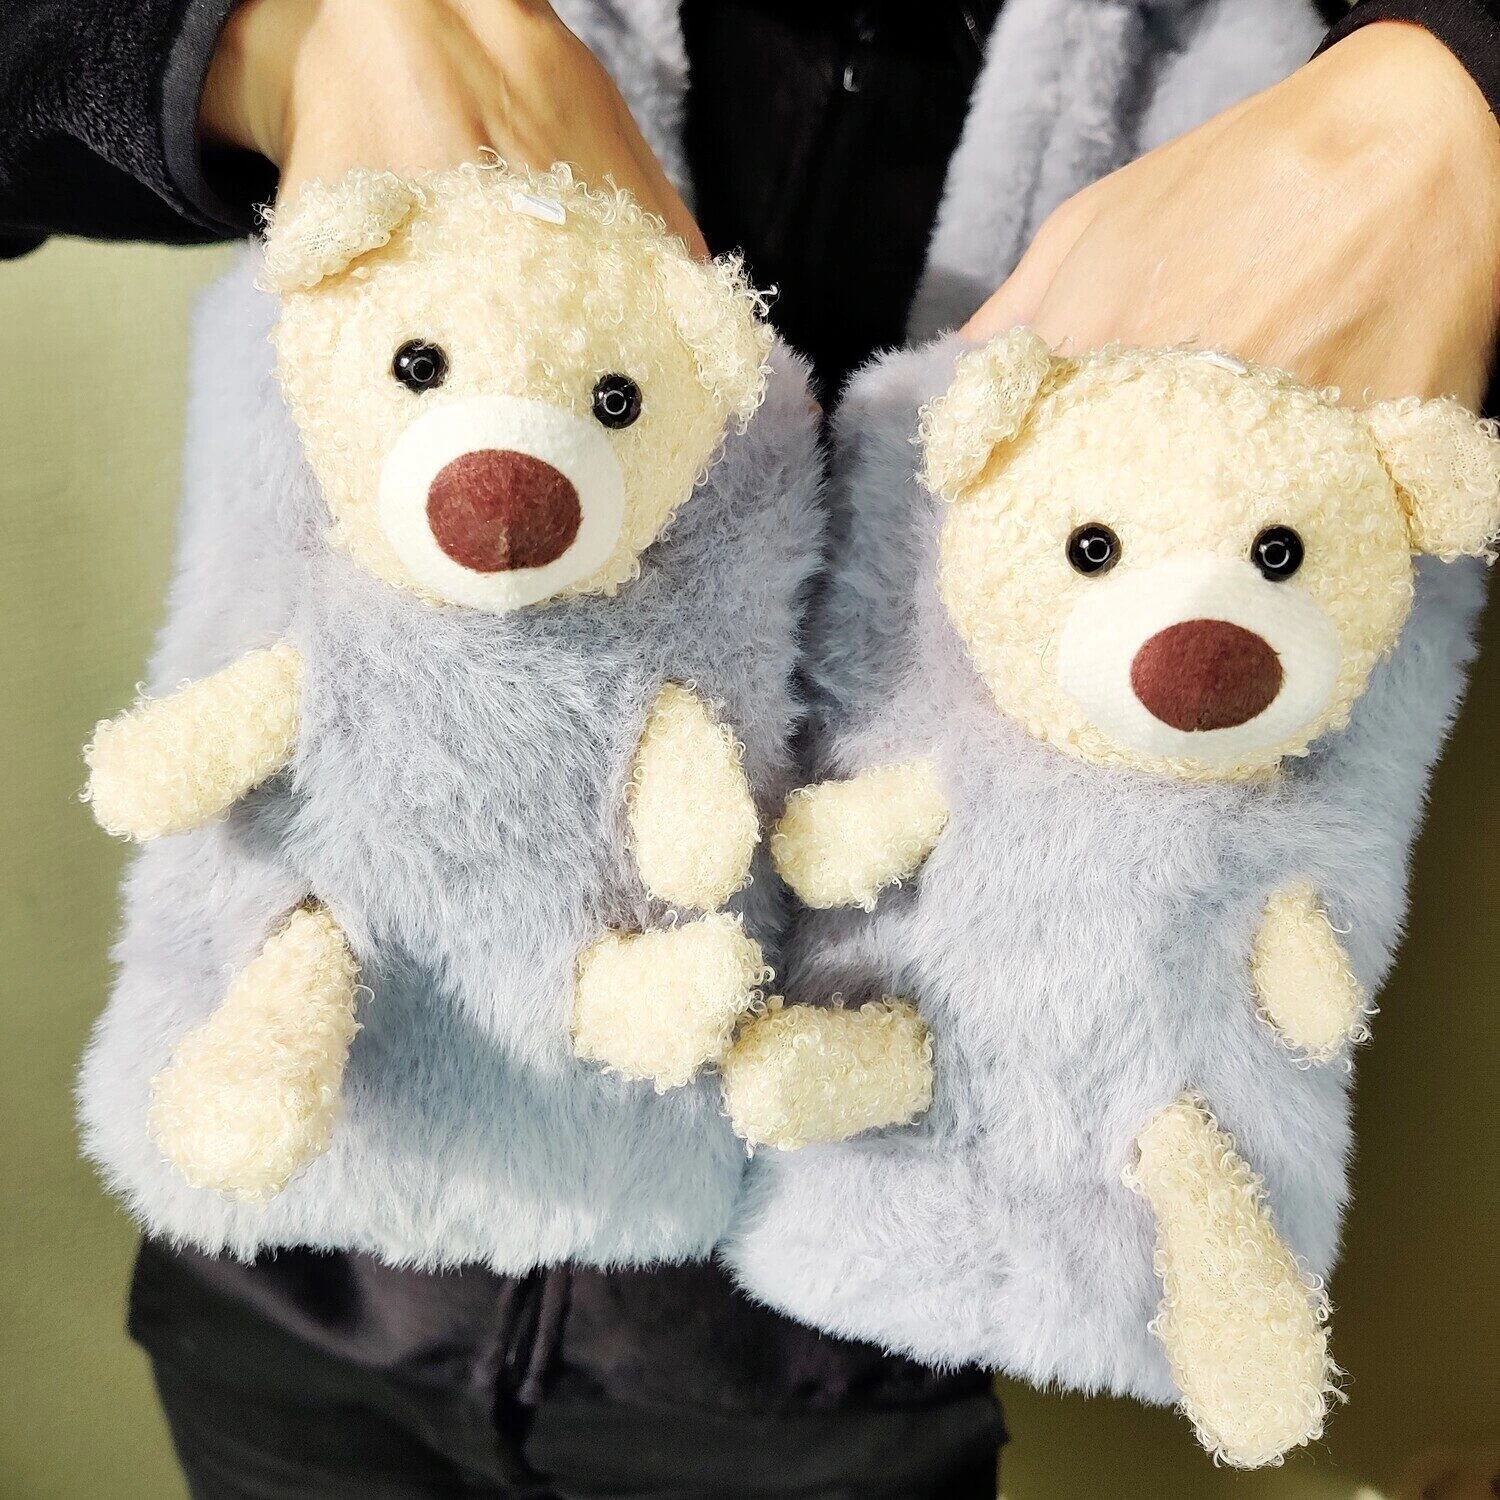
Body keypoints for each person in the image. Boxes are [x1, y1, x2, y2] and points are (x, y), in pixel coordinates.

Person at [3, 1, 1497, 1495]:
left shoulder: (1254, 54)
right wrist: (265, 33)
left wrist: (1459, 99)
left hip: (848, 1344)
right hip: (296, 1243)